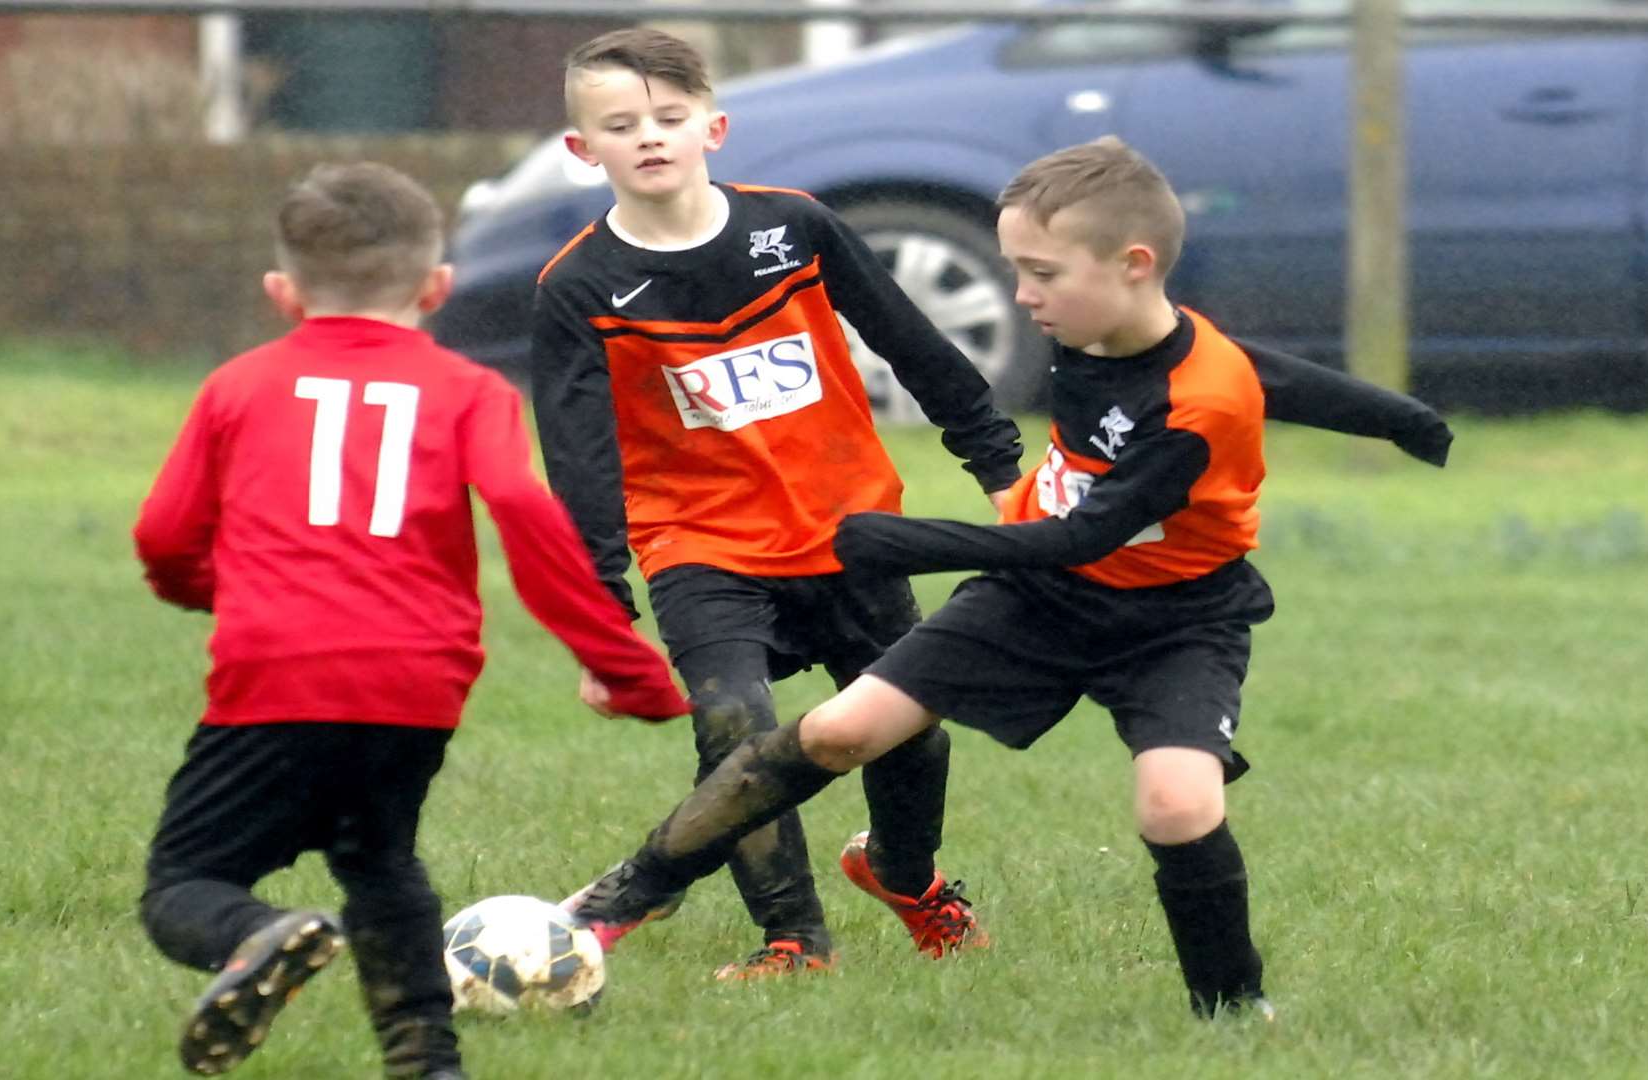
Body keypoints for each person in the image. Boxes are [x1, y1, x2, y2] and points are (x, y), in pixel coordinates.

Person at [562, 136, 1454, 1019]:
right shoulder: (1098, 325)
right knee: (841, 729)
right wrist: (1402, 417)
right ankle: (622, 899)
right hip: (1037, 600)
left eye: (1042, 274)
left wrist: (902, 542)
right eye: (1016, 270)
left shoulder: (1195, 407)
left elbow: (1083, 535)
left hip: (1172, 619)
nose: (1022, 297)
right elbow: (1273, 373)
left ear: (1133, 265)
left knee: (1177, 804)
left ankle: (1230, 1008)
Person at [132, 162, 688, 1079]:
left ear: (282, 292)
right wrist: (621, 663)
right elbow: (525, 514)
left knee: (185, 884)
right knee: (379, 862)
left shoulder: (237, 386)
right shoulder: (470, 391)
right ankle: (426, 1056)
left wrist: (206, 591)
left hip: (276, 676)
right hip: (415, 687)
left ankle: (265, 936)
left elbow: (163, 534)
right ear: (436, 288)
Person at [531, 28, 1025, 979]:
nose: (650, 138)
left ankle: (904, 875)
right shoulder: (577, 287)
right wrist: (601, 624)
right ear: (582, 150)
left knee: (910, 728)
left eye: (670, 118)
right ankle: (795, 942)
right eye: (621, 124)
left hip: (850, 533)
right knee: (734, 727)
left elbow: (914, 345)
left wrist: (997, 466)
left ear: (712, 126)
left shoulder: (794, 227)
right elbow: (581, 463)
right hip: (699, 547)